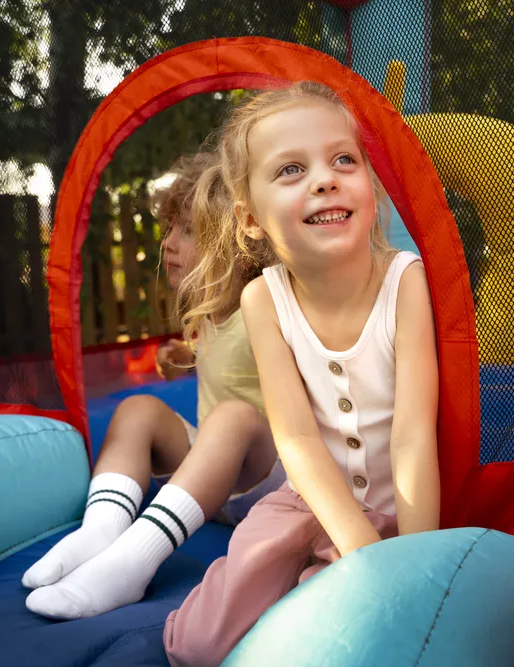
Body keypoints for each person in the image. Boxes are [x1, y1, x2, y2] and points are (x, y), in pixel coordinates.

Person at [162, 81, 441, 667]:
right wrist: (357, 546)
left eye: (344, 159)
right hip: (308, 501)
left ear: (372, 189)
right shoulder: (266, 299)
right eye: (292, 170)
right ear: (251, 220)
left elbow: (415, 435)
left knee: (350, 631)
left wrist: (411, 566)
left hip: (400, 515)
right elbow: (297, 439)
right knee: (198, 646)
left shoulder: (404, 282)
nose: (325, 178)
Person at [22, 152, 285, 620]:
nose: (169, 244)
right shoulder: (206, 312)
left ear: (235, 242)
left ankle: (132, 562)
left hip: (270, 477)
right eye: (169, 230)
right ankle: (101, 529)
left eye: (186, 230)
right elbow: (222, 356)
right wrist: (182, 355)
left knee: (234, 417)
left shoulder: (265, 305)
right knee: (138, 408)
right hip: (211, 476)